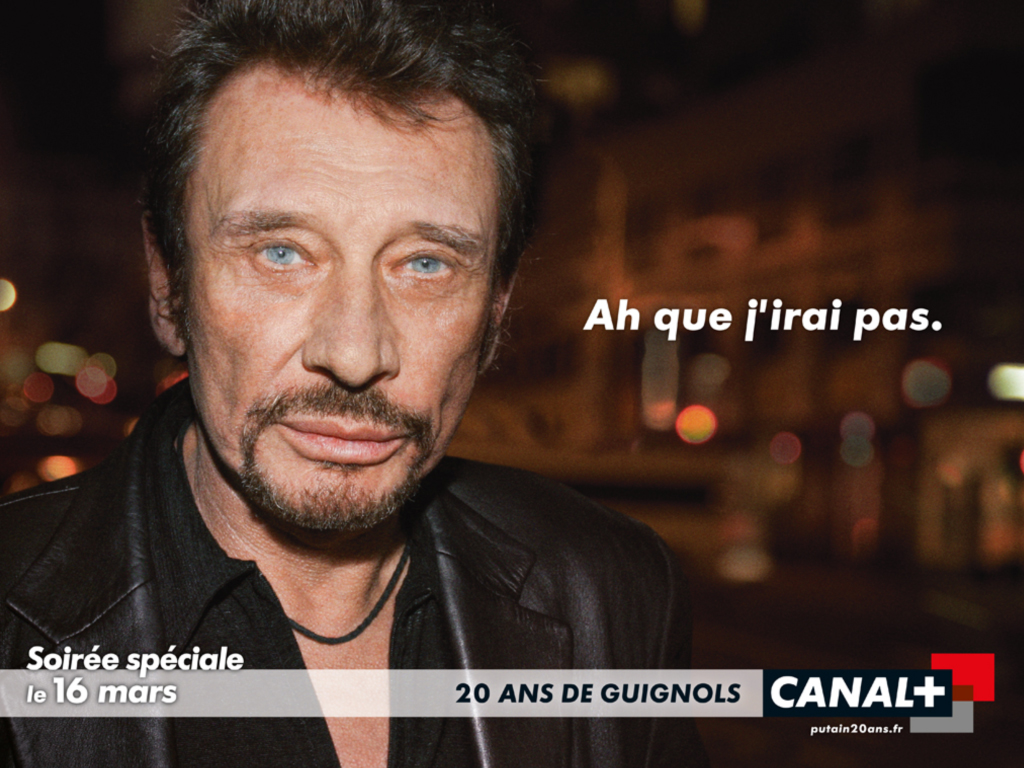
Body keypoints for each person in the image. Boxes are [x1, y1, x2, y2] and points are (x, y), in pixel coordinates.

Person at [0, 1, 708, 765]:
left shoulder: (616, 594)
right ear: (169, 283)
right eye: (281, 253)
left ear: (496, 313)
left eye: (426, 264)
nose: (354, 353)